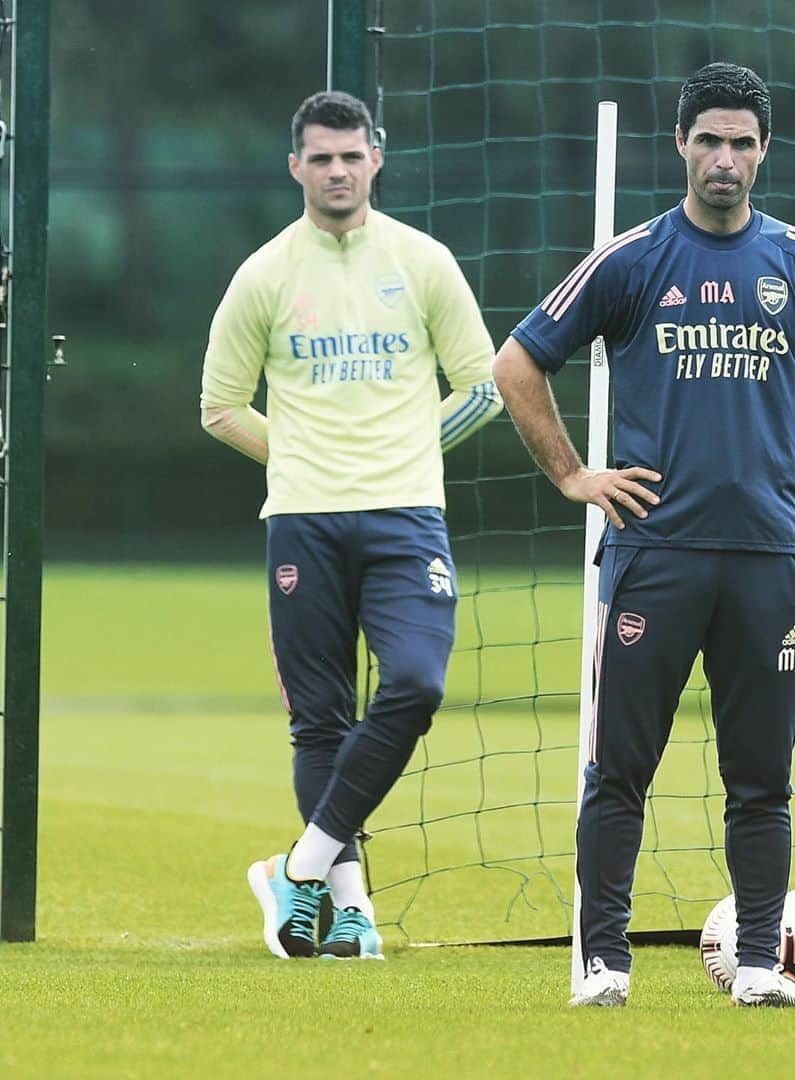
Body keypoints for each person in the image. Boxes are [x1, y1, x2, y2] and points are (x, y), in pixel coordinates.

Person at [493, 62, 795, 1008]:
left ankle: (755, 971)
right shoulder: (632, 258)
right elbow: (517, 363)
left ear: (763, 151)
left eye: (742, 142)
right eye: (710, 140)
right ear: (681, 147)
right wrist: (576, 475)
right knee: (619, 771)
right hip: (655, 556)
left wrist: (767, 454)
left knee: (761, 782)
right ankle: (603, 965)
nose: (725, 158)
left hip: (770, 557)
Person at [200, 91, 502, 959]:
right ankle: (351, 909)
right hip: (303, 519)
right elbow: (219, 406)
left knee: (416, 684)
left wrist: (403, 453)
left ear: (377, 158)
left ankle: (296, 868)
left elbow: (480, 386)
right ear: (295, 166)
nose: (338, 170)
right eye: (321, 158)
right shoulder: (263, 274)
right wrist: (300, 460)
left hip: (407, 515)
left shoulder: (424, 260)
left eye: (352, 155)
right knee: (320, 723)